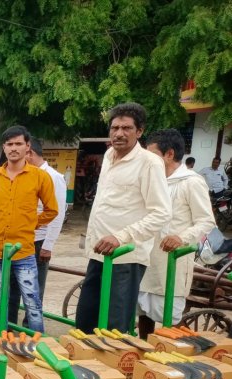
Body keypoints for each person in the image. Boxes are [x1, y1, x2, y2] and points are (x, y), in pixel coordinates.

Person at [75, 102, 172, 332]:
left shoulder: (149, 163)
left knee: (113, 326)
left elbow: (161, 212)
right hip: (98, 253)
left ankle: (109, 368)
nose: (119, 133)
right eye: (115, 127)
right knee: (86, 319)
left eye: (127, 128)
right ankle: (82, 365)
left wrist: (121, 237)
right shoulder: (109, 155)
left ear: (139, 132)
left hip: (125, 257)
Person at [137, 129, 215, 337]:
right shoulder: (152, 179)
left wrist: (181, 238)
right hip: (146, 257)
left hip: (171, 260)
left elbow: (206, 220)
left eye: (152, 154)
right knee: (143, 312)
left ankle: (175, 356)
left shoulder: (191, 182)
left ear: (169, 154)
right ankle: (145, 355)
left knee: (169, 315)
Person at [0, 126, 58, 334]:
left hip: (24, 251)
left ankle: (37, 346)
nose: (13, 148)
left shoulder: (39, 177)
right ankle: (1, 341)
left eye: (18, 143)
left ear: (27, 147)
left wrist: (30, 222)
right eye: (9, 144)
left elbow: (52, 210)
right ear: (4, 147)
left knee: (32, 301)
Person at [8, 137, 66, 327]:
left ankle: (30, 331)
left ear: (29, 152)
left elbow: (56, 213)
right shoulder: (21, 174)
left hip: (38, 242)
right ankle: (7, 328)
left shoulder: (52, 177)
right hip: (18, 240)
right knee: (12, 289)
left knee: (32, 290)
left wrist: (48, 246)